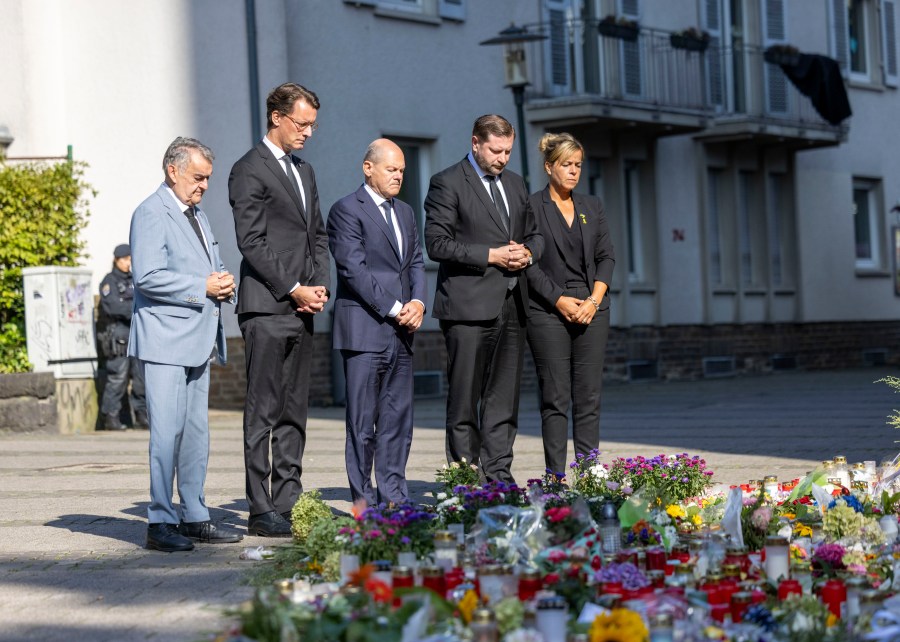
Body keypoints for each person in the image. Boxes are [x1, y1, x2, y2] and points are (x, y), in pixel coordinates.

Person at [129, 136, 242, 552]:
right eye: (198, 177)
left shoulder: (197, 214)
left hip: (197, 338)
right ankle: (160, 521)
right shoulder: (150, 212)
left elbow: (210, 264)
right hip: (164, 340)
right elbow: (147, 276)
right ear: (172, 171)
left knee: (196, 433)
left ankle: (194, 514)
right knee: (166, 434)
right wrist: (202, 286)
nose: (204, 185)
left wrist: (224, 282)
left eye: (208, 178)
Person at [229, 82, 330, 537]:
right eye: (302, 123)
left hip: (303, 306)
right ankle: (260, 506)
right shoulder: (248, 170)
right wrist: (293, 287)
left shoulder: (304, 170)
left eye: (312, 125)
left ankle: (289, 497)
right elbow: (251, 241)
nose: (308, 132)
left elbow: (318, 235)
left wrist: (320, 285)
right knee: (263, 410)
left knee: (294, 408)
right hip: (267, 308)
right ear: (277, 117)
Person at [424, 114, 543, 484]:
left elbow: (535, 234)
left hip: (513, 304)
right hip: (467, 307)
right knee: (464, 401)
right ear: (475, 143)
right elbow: (436, 244)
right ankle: (465, 481)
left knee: (503, 401)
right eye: (496, 150)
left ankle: (499, 476)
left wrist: (528, 253)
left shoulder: (516, 184)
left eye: (508, 151)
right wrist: (492, 255)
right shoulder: (446, 182)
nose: (502, 158)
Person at [327, 138, 427, 507]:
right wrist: (396, 307)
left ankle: (395, 498)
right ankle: (363, 502)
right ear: (368, 168)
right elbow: (353, 270)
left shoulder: (405, 212)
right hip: (365, 330)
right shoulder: (346, 210)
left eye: (402, 170)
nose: (399, 176)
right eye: (391, 169)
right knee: (362, 423)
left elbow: (415, 262)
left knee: (397, 423)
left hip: (402, 333)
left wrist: (417, 302)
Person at [526, 133, 615, 475]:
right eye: (566, 165)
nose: (574, 171)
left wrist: (594, 299)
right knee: (555, 397)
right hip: (548, 308)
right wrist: (558, 299)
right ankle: (555, 477)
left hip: (592, 306)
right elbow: (528, 264)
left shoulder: (592, 206)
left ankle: (590, 473)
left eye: (578, 165)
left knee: (589, 397)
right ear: (549, 167)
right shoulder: (531, 207)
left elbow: (607, 256)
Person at [97, 243, 147, 430]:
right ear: (116, 260)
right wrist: (134, 308)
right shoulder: (109, 281)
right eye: (125, 259)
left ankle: (142, 417)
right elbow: (113, 307)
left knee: (140, 378)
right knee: (117, 378)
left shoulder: (136, 279)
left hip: (137, 333)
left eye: (130, 260)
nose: (128, 263)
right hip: (118, 335)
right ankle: (110, 417)